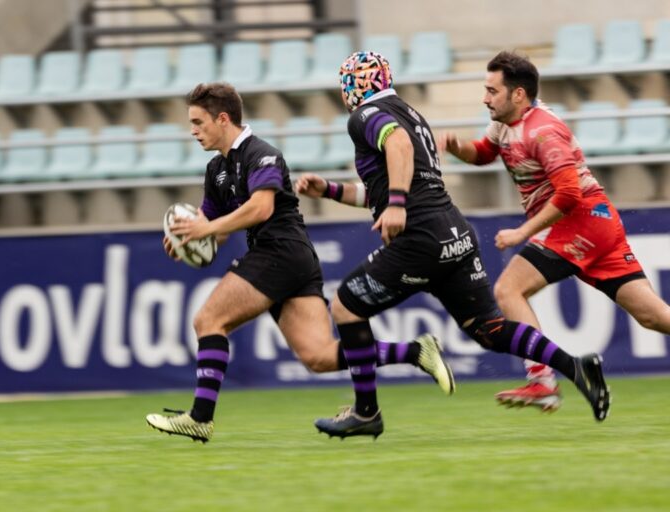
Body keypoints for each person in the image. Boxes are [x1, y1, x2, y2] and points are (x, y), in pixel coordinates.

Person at [296, 51, 610, 440]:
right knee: (490, 329)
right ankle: (575, 366)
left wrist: (395, 205)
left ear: (353, 84)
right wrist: (328, 190)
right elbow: (394, 183)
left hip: (421, 239)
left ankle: (365, 413)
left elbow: (398, 151)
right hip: (455, 233)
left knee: (345, 305)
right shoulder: (409, 113)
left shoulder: (364, 116)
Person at [145, 82, 455, 443]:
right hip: (292, 259)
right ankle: (416, 351)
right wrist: (188, 237)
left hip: (280, 252)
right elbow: (216, 229)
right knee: (319, 356)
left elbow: (262, 208)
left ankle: (200, 418)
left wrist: (207, 228)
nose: (193, 131)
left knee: (208, 320)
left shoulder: (261, 154)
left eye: (198, 122)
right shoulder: (217, 170)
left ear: (223, 118)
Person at [439, 50, 670, 412]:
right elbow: (484, 153)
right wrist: (458, 147)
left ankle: (542, 382)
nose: (485, 98)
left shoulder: (543, 131)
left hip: (580, 221)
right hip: (596, 224)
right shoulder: (504, 123)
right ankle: (544, 381)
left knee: (508, 288)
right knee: (654, 317)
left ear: (518, 94)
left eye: (491, 91)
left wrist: (522, 232)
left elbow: (568, 193)